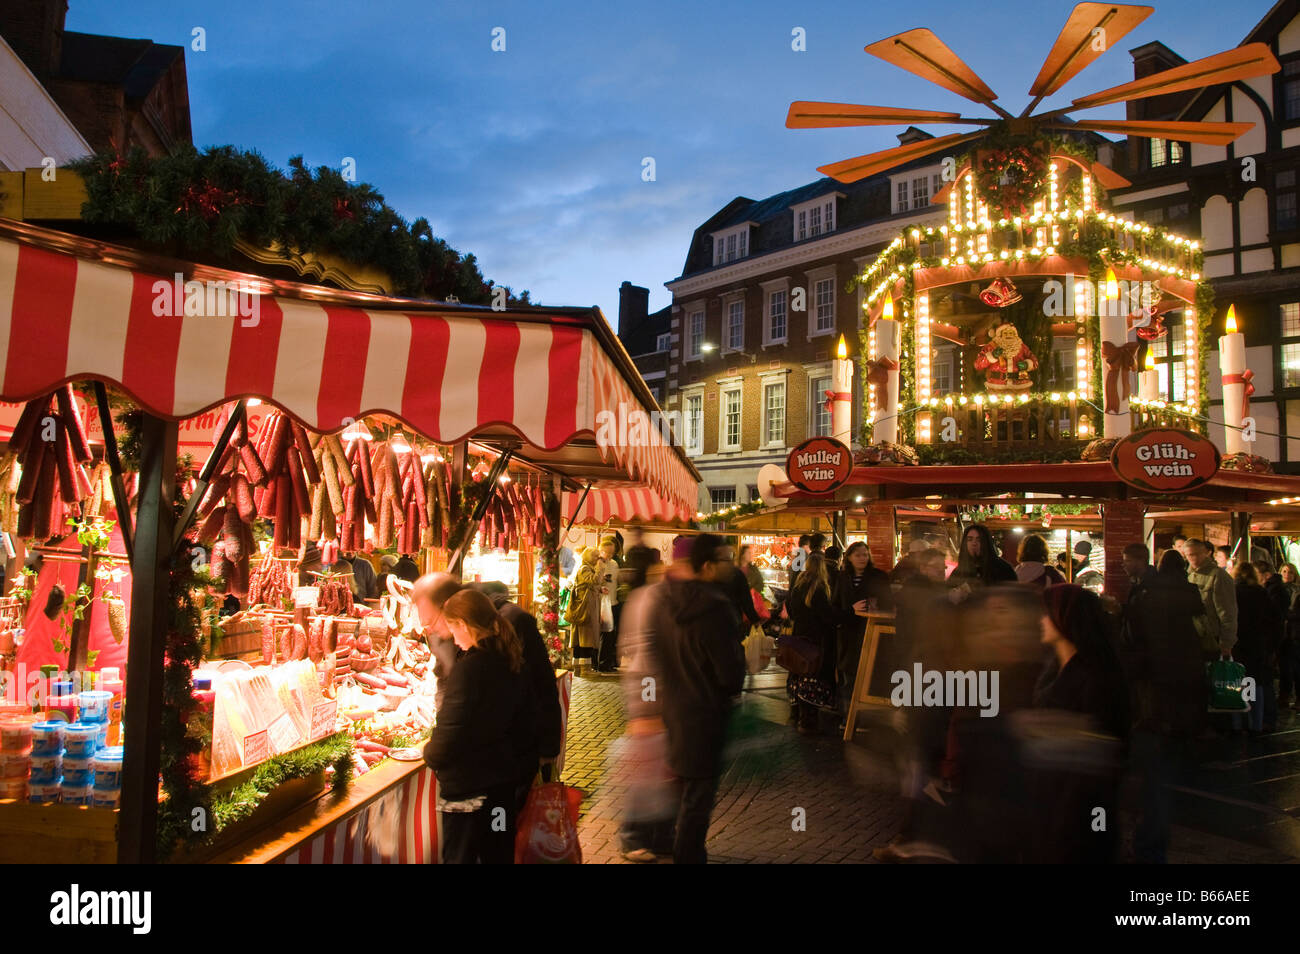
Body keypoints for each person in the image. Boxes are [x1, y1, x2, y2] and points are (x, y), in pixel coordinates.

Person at [649, 533, 745, 864]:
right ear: (707, 566)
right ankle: (688, 856)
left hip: (675, 708)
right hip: (706, 713)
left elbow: (656, 655)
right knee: (698, 798)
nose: (731, 566)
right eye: (726, 560)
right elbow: (730, 675)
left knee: (681, 787)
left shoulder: (664, 602)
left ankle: (670, 844)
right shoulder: (716, 610)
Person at [422, 588, 531, 864]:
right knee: (498, 853)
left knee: (461, 857)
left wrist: (431, 754)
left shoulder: (469, 669)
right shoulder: (510, 657)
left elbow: (451, 729)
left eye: (452, 628)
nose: (454, 639)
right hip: (502, 788)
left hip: (467, 792)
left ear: (463, 625)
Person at [1031, 584, 1129, 863]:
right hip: (1051, 803)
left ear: (1065, 618)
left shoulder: (1098, 678)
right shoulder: (1054, 666)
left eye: (1046, 613)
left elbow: (1104, 755)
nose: (1040, 620)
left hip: (1082, 816)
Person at [1122, 547, 1206, 863]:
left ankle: (1145, 843)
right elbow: (1201, 626)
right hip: (1184, 675)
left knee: (1149, 766)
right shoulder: (1189, 592)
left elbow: (1139, 636)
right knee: (1162, 767)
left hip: (1155, 679)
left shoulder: (1149, 593)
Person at [471, 580, 564, 797]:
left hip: (521, 743)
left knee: (514, 811)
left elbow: (538, 684)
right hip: (524, 741)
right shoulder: (508, 618)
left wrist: (547, 747)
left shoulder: (510, 623)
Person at [833, 541, 894, 716]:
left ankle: (866, 717)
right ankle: (849, 717)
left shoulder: (878, 577)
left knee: (870, 676)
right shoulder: (842, 577)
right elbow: (835, 606)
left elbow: (889, 603)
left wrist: (877, 607)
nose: (862, 558)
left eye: (865, 554)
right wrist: (851, 610)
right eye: (858, 555)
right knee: (849, 677)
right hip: (848, 635)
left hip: (871, 634)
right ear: (849, 558)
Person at [785, 552, 839, 735]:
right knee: (812, 675)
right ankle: (807, 720)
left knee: (799, 673)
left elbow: (791, 611)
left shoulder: (798, 586)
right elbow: (828, 616)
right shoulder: (819, 588)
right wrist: (846, 614)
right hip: (815, 639)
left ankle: (796, 712)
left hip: (799, 636)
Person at [1233, 562, 1282, 734]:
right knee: (1256, 682)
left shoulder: (1234, 592)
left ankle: (1238, 723)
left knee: (1238, 683)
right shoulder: (1261, 593)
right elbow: (1273, 620)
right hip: (1257, 644)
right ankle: (1257, 722)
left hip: (1238, 643)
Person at [1185, 538, 1238, 660]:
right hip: (1194, 637)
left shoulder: (1218, 575)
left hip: (1212, 638)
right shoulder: (1187, 575)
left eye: (1196, 554)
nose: (1193, 558)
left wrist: (1227, 642)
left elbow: (1227, 611)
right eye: (1189, 555)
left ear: (1205, 553)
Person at [948, 523, 1017, 593]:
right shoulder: (959, 572)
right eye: (970, 539)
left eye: (979, 540)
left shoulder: (1003, 569)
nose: (974, 543)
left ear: (986, 542)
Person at [564, 548, 602, 673]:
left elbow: (589, 585)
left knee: (581, 639)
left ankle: (579, 668)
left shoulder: (586, 568)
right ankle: (585, 669)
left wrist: (600, 589)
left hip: (585, 609)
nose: (598, 558)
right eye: (596, 556)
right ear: (588, 557)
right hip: (585, 610)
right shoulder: (585, 568)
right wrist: (601, 569)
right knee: (585, 638)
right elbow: (594, 580)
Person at [597, 536, 622, 672]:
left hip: (613, 602)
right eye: (607, 552)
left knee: (611, 634)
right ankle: (600, 663)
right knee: (603, 634)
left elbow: (617, 580)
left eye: (612, 553)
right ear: (601, 551)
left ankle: (607, 662)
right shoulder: (597, 564)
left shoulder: (614, 564)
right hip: (601, 603)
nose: (609, 555)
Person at [621, 527, 660, 595]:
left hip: (645, 586)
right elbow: (627, 567)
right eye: (634, 535)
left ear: (642, 535)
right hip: (633, 587)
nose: (635, 537)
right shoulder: (630, 551)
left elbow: (653, 569)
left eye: (637, 535)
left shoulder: (648, 551)